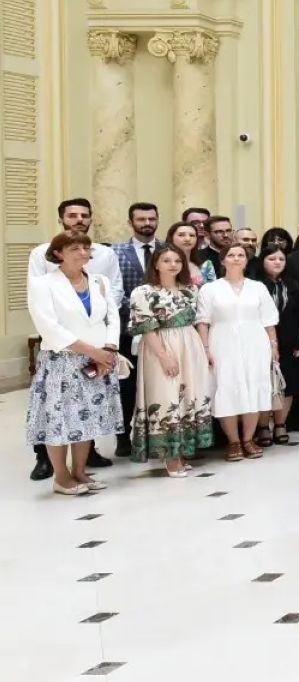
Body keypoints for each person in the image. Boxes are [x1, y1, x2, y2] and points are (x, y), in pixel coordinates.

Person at [26, 233, 123, 495]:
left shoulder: (100, 282)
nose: (83, 253)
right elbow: (48, 326)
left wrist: (108, 349)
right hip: (62, 360)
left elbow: (112, 318)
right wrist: (92, 351)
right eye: (75, 248)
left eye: (86, 248)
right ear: (58, 253)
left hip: (99, 360)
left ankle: (80, 471)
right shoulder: (43, 284)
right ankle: (61, 477)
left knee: (88, 418)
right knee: (60, 420)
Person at [125, 244, 212, 475]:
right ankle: (169, 456)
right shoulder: (143, 292)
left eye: (177, 261)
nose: (173, 264)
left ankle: (182, 451)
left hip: (189, 343)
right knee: (166, 396)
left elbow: (197, 320)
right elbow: (146, 328)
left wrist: (202, 350)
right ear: (156, 264)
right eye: (166, 260)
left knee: (188, 396)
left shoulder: (189, 290)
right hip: (160, 346)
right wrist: (164, 357)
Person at [197, 245, 280, 461]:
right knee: (226, 388)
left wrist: (274, 347)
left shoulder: (258, 287)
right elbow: (203, 322)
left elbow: (269, 321)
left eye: (240, 255)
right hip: (222, 343)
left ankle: (248, 439)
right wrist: (205, 349)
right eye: (231, 255)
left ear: (247, 260)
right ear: (222, 261)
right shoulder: (210, 289)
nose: (236, 259)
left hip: (255, 343)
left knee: (254, 388)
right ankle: (233, 442)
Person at [111, 201, 163, 458]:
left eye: (151, 219)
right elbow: (113, 290)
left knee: (159, 382)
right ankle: (123, 435)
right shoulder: (116, 252)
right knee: (127, 386)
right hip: (127, 329)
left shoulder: (167, 249)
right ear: (130, 222)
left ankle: (157, 433)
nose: (147, 223)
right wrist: (138, 315)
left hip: (164, 331)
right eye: (141, 219)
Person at [256, 246, 299, 445]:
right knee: (263, 384)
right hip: (261, 343)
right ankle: (262, 426)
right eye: (272, 258)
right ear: (263, 261)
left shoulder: (293, 285)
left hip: (290, 343)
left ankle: (280, 424)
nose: (277, 262)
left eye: (281, 259)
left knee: (288, 385)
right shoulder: (256, 285)